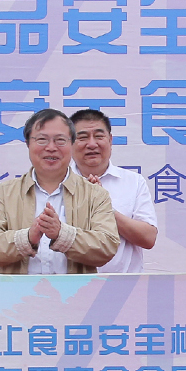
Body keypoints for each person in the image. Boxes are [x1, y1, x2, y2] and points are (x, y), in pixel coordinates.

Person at [0, 108, 119, 274]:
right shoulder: (4, 192)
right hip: (17, 291)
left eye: (60, 140)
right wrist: (27, 238)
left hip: (76, 291)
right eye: (42, 140)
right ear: (28, 143)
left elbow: (107, 246)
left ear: (72, 144)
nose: (51, 147)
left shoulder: (95, 194)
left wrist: (62, 234)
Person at [69, 109, 157, 273]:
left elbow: (148, 238)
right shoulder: (58, 183)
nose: (92, 144)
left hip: (125, 284)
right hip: (70, 284)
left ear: (110, 140)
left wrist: (103, 206)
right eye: (83, 137)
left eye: (99, 136)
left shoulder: (133, 182)